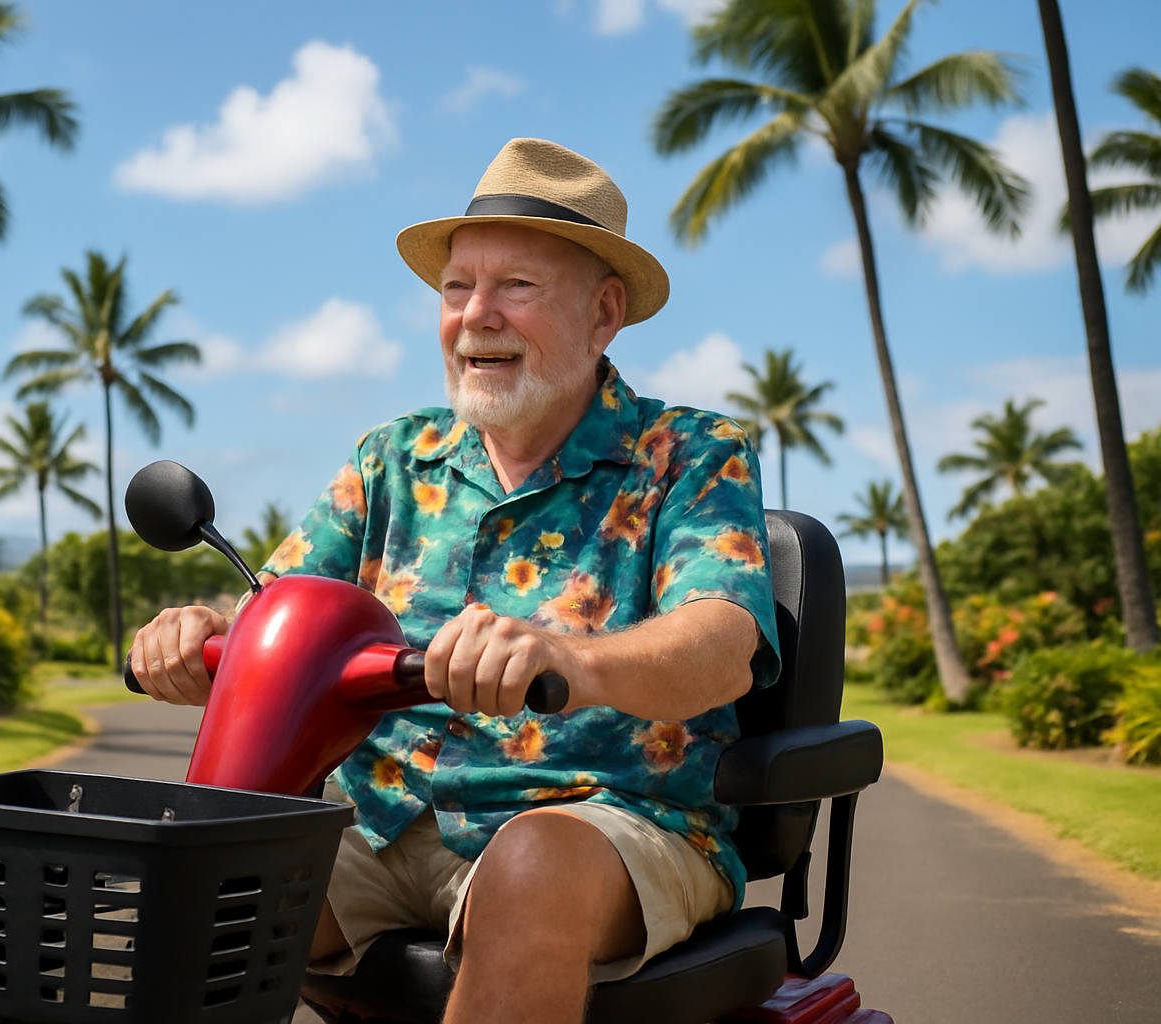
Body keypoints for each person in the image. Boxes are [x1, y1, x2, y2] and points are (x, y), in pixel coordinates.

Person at [129, 138, 780, 1024]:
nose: (476, 316)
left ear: (604, 312)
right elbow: (275, 616)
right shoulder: (393, 458)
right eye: (456, 288)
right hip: (385, 823)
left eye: (516, 286)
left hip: (608, 825)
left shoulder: (692, 457)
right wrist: (202, 633)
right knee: (211, 876)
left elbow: (721, 645)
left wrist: (570, 659)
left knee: (530, 865)